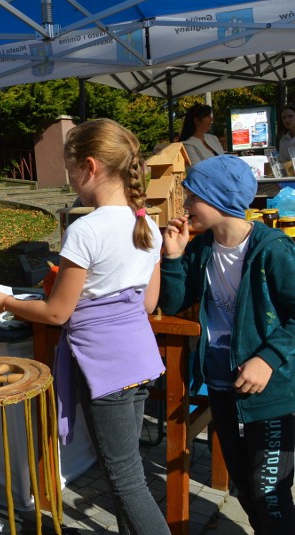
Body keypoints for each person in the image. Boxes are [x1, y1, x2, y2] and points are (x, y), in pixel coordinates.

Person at [0, 119, 169, 534]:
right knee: (126, 474)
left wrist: (5, 301)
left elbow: (57, 313)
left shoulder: (85, 230)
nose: (70, 180)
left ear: (91, 167)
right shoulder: (146, 223)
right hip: (140, 361)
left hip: (107, 366)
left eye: (70, 170)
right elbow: (148, 303)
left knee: (126, 480)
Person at [159, 154, 295, 535]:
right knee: (244, 489)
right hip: (221, 386)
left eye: (192, 198)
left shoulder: (273, 249)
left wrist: (267, 359)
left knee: (270, 491)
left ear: (220, 200)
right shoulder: (202, 249)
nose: (184, 206)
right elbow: (173, 302)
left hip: (270, 392)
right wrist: (173, 257)